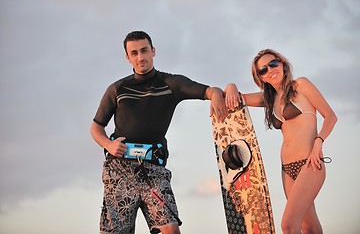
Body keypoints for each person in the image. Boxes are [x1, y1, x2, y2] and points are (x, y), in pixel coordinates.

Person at [90, 30, 227, 234]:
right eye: (134, 53)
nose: (140, 57)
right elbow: (96, 126)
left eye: (144, 50)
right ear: (128, 58)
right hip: (119, 169)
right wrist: (109, 144)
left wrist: (216, 94)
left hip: (154, 169)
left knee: (170, 229)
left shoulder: (171, 84)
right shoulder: (117, 89)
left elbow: (209, 91)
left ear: (153, 51)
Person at [224, 49, 337, 234]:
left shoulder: (301, 85)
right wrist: (230, 85)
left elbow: (331, 116)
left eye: (273, 64)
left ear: (282, 64)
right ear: (261, 78)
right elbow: (236, 98)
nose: (270, 70)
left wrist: (318, 142)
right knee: (309, 226)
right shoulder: (269, 99)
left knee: (288, 225)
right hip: (287, 169)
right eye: (263, 70)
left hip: (310, 163)